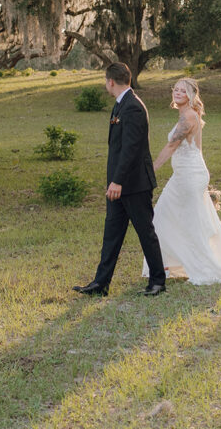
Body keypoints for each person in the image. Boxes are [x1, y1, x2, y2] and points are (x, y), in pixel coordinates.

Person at [144, 77, 221, 285]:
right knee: (162, 216)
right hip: (185, 174)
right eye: (175, 89)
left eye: (182, 91)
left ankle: (204, 269)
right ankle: (166, 265)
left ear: (191, 95)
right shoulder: (185, 114)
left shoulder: (189, 118)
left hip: (190, 176)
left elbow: (171, 146)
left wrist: (150, 169)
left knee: (190, 223)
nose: (177, 93)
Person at [74, 62, 167, 298]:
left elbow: (131, 149)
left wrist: (118, 181)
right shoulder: (120, 105)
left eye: (105, 81)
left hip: (134, 184)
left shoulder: (133, 107)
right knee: (112, 233)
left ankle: (158, 281)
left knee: (145, 232)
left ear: (110, 81)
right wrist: (113, 181)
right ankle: (100, 283)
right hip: (118, 185)